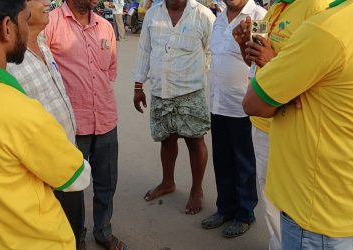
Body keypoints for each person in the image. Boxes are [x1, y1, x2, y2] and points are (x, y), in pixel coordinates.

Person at [0, 0, 90, 249]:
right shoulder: (21, 111)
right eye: (24, 20)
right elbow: (77, 177)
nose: (27, 29)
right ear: (7, 28)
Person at [242, 0, 353, 248]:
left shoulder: (319, 13)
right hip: (265, 119)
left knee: (280, 207)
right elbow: (255, 63)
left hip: (309, 179)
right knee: (268, 196)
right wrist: (244, 45)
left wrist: (273, 64)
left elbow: (313, 72)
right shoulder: (272, 10)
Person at [6, 0, 89, 249]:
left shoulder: (41, 42)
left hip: (67, 160)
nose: (48, 2)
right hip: (40, 177)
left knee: (74, 228)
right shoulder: (7, 61)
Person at [44, 0, 126, 249]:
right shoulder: (51, 23)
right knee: (70, 188)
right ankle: (74, 236)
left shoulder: (105, 27)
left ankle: (103, 231)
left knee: (106, 181)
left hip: (105, 118)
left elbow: (109, 70)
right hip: (71, 125)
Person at [133, 0, 215, 215]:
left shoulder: (203, 15)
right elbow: (144, 50)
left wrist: (199, 72)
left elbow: (211, 50)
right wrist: (138, 86)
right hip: (161, 90)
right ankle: (167, 182)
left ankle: (197, 190)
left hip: (191, 91)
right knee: (166, 139)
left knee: (195, 140)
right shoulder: (153, 14)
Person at [201, 0, 265, 238]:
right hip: (218, 104)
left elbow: (262, 62)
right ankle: (224, 209)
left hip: (243, 107)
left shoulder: (259, 17)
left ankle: (245, 213)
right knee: (223, 161)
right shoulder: (218, 19)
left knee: (244, 164)